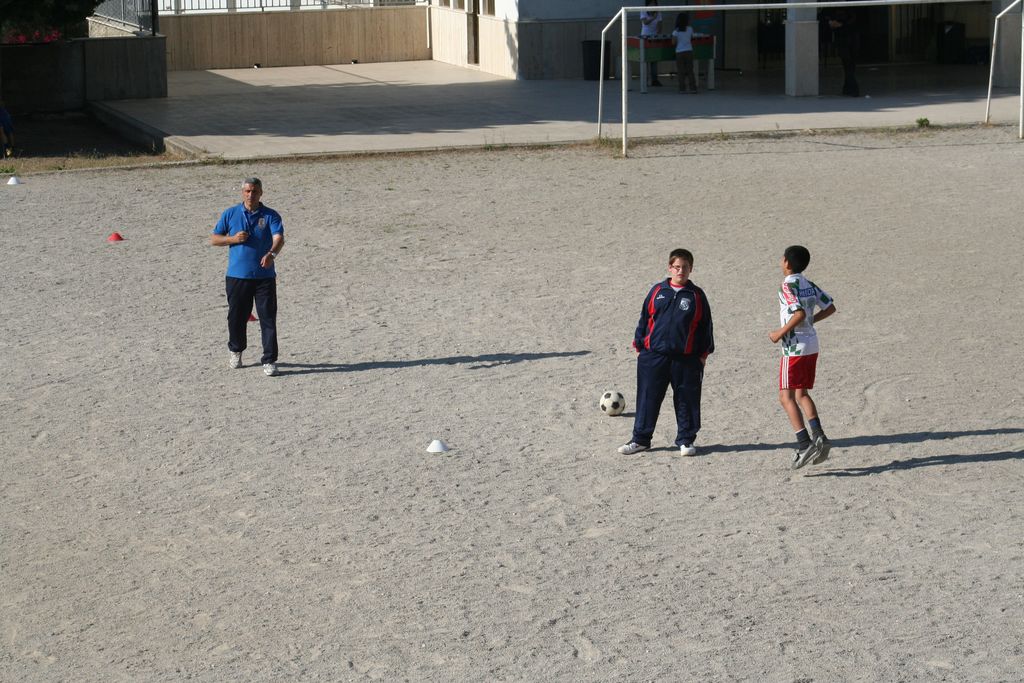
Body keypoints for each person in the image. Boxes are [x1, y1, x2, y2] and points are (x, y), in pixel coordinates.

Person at [618, 249, 714, 456]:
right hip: (654, 357)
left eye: (685, 267)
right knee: (647, 398)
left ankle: (686, 440)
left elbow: (706, 327)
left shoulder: (696, 296)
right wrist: (639, 348)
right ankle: (640, 440)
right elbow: (644, 319)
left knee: (686, 400)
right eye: (677, 267)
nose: (681, 271)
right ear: (670, 268)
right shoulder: (657, 291)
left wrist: (703, 355)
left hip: (686, 359)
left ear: (691, 269)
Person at [768, 245, 837, 469]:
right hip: (812, 344)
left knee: (785, 397)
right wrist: (811, 321)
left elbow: (798, 313)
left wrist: (779, 333)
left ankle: (804, 443)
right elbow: (830, 307)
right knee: (802, 394)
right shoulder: (808, 284)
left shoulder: (786, 286)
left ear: (787, 263)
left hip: (794, 347)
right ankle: (819, 436)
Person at [210, 177, 285, 377]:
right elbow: (214, 239)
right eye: (248, 191)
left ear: (261, 193)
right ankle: (236, 350)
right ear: (243, 192)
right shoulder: (230, 213)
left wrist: (272, 254)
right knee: (236, 317)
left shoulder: (271, 215)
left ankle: (269, 360)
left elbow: (279, 238)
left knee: (267, 318)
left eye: (255, 191)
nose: (251, 195)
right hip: (237, 276)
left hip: (264, 277)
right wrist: (232, 239)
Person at [828, 9, 859, 97]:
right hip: (843, 37)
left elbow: (854, 19)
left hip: (851, 36)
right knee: (847, 62)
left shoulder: (849, 8)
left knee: (850, 64)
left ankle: (849, 88)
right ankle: (852, 88)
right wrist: (831, 23)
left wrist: (841, 24)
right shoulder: (832, 9)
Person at [672, 13, 697, 93]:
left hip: (679, 52)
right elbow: (692, 38)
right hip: (689, 50)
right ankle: (693, 88)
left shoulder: (676, 31)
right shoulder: (690, 29)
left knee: (681, 71)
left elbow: (673, 42)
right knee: (690, 70)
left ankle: (682, 88)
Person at [640, 0, 664, 87]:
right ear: (648, 5)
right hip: (645, 37)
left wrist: (658, 34)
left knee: (654, 60)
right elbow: (645, 22)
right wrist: (653, 18)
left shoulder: (658, 12)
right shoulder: (643, 11)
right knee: (645, 59)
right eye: (651, 4)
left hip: (654, 38)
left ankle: (654, 80)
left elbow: (660, 25)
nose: (653, 5)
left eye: (654, 4)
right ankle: (645, 80)